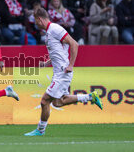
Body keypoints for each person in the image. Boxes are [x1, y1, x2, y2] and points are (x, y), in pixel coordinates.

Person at [24, 8, 103, 136]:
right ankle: (90, 97)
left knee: (44, 101)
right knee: (59, 101)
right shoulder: (49, 32)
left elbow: (74, 44)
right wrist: (46, 63)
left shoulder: (55, 29)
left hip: (63, 72)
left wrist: (71, 65)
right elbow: (58, 52)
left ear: (39, 19)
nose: (35, 24)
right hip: (59, 72)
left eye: (36, 21)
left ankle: (40, 130)